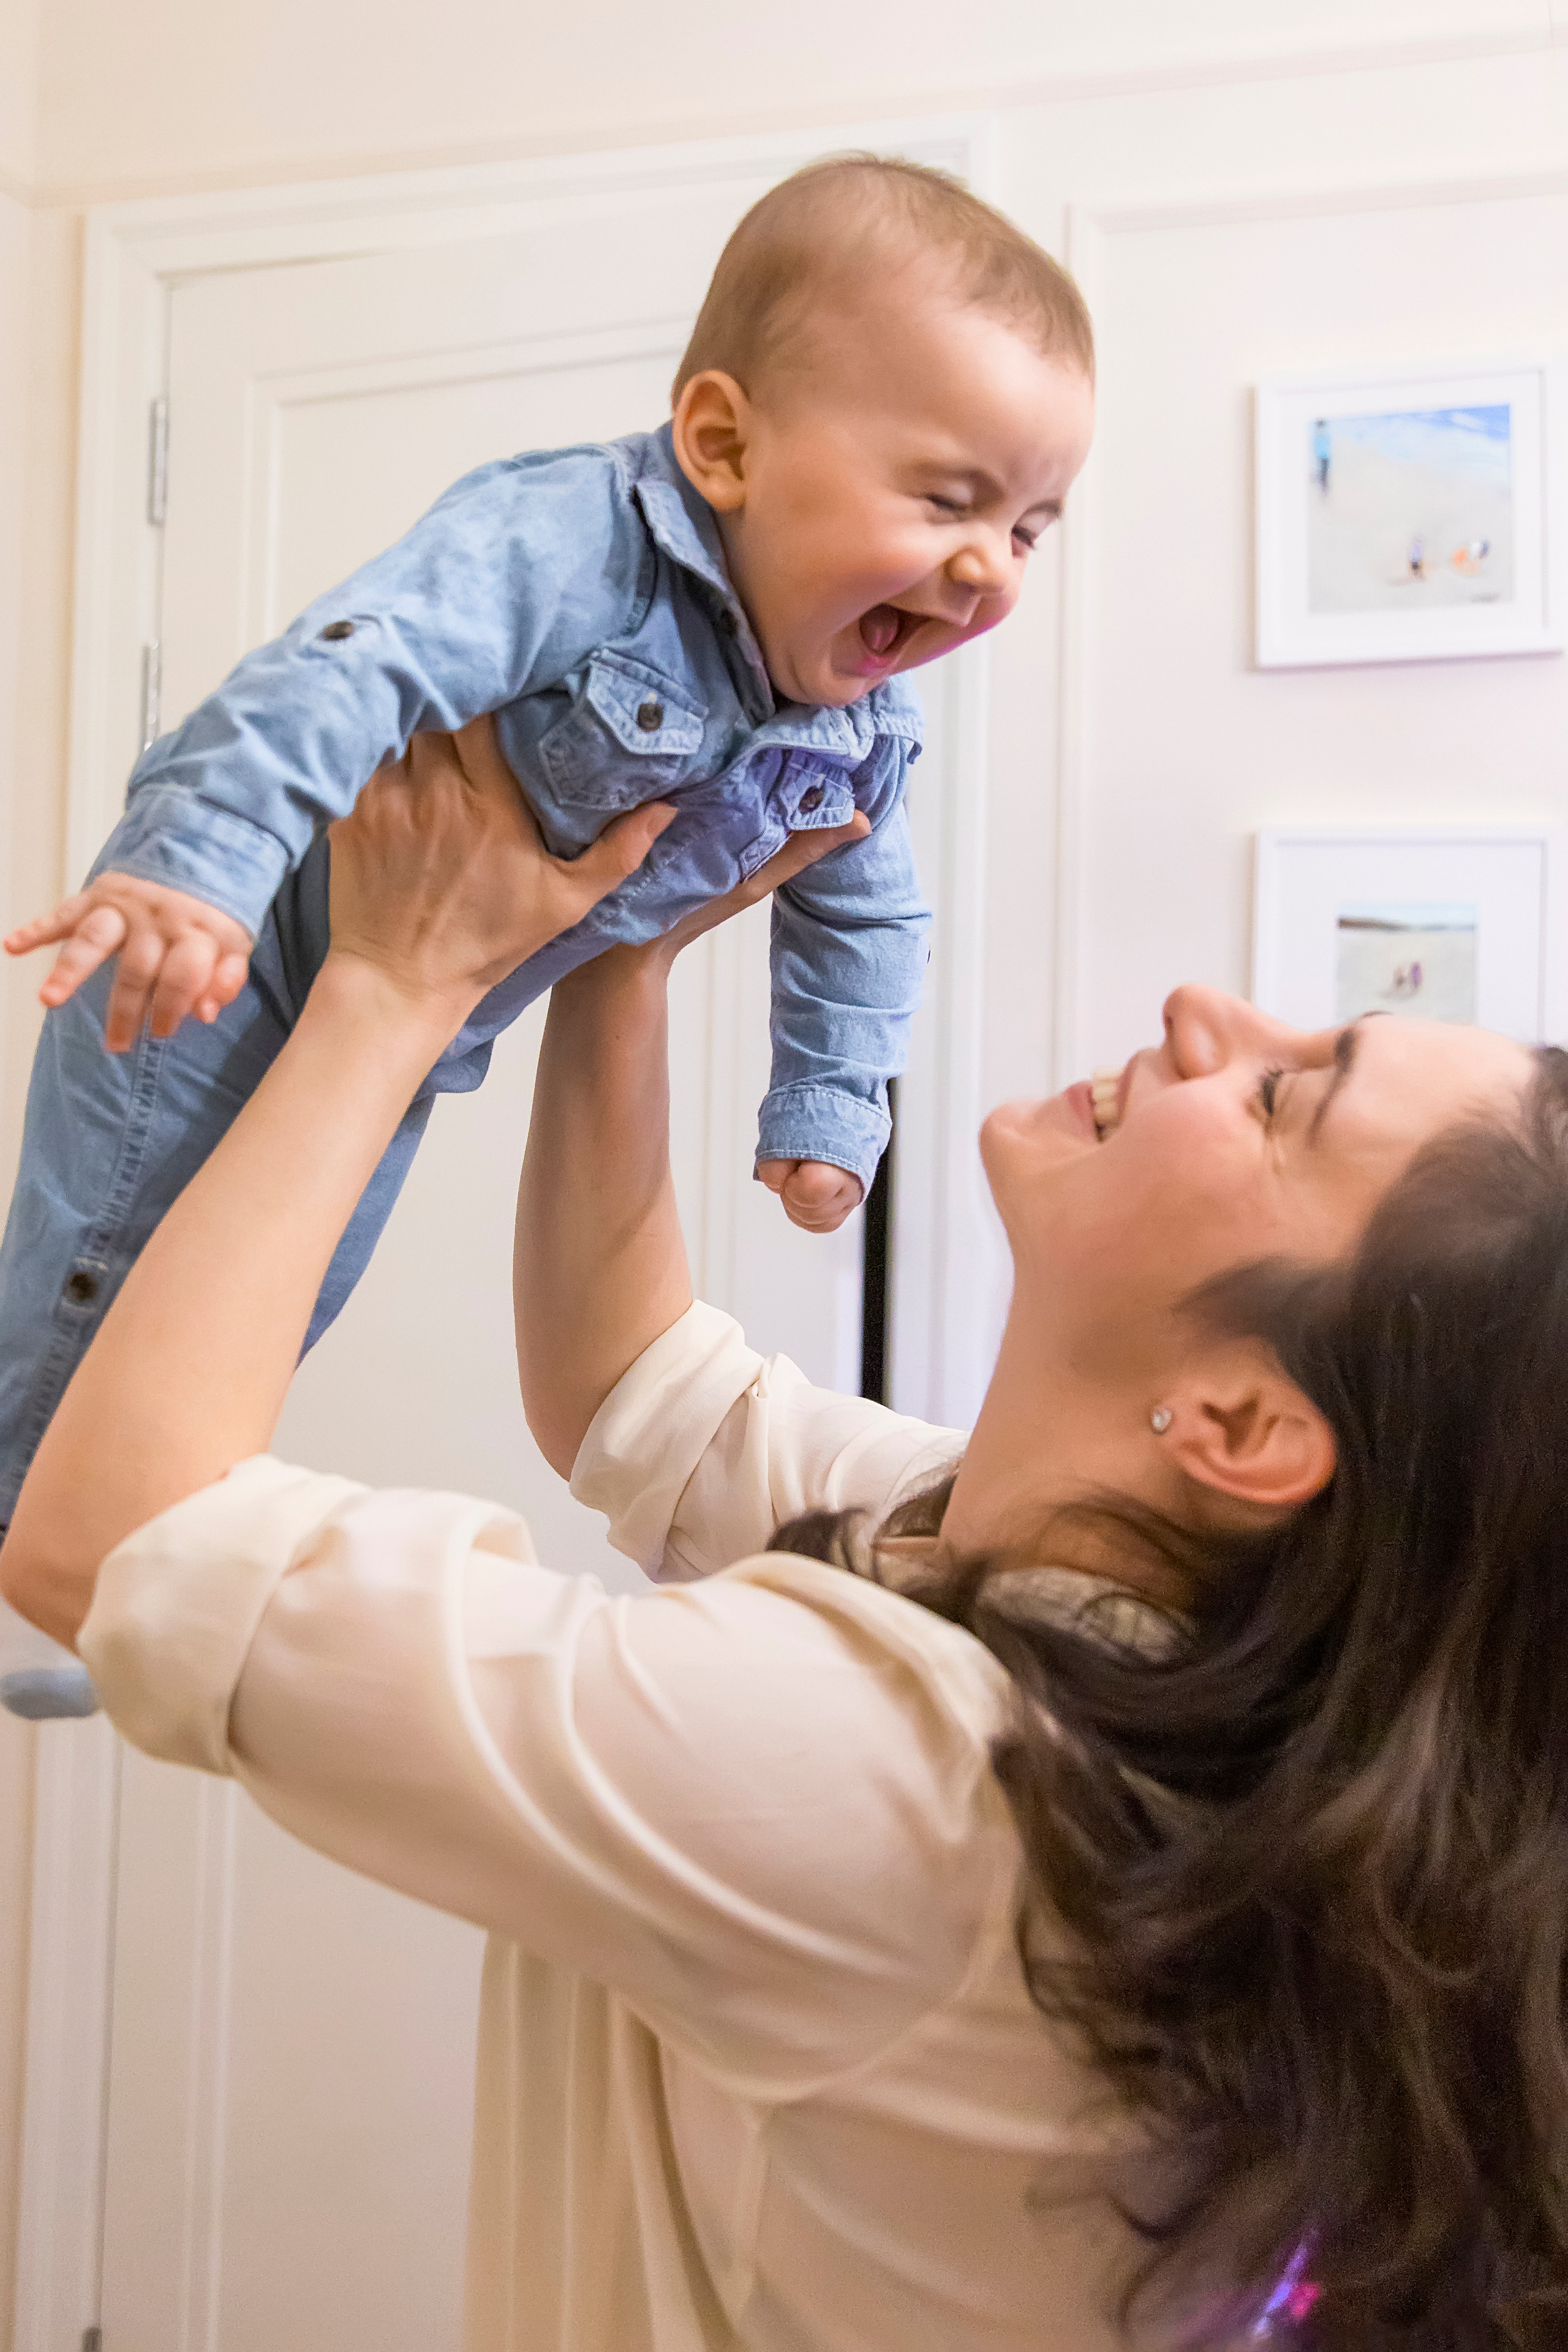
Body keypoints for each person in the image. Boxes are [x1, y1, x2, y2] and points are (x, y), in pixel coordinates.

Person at [6, 720, 1564, 2348]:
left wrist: (396, 987)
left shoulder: (917, 1796)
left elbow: (117, 1538)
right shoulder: (1099, 1603)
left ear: (1245, 1428)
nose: (1205, 1016)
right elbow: (638, 1391)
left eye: (1280, 1098)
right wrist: (629, 951)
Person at [0, 158, 1097, 1722]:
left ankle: (115, 1578)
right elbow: (345, 667)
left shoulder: (853, 720)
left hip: (414, 1028)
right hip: (218, 963)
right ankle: (47, 1556)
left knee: (272, 1294)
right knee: (99, 1267)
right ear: (723, 443)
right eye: (944, 499)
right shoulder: (572, 539)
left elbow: (865, 909)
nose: (990, 565)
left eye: (1032, 527)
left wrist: (825, 1114)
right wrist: (196, 872)